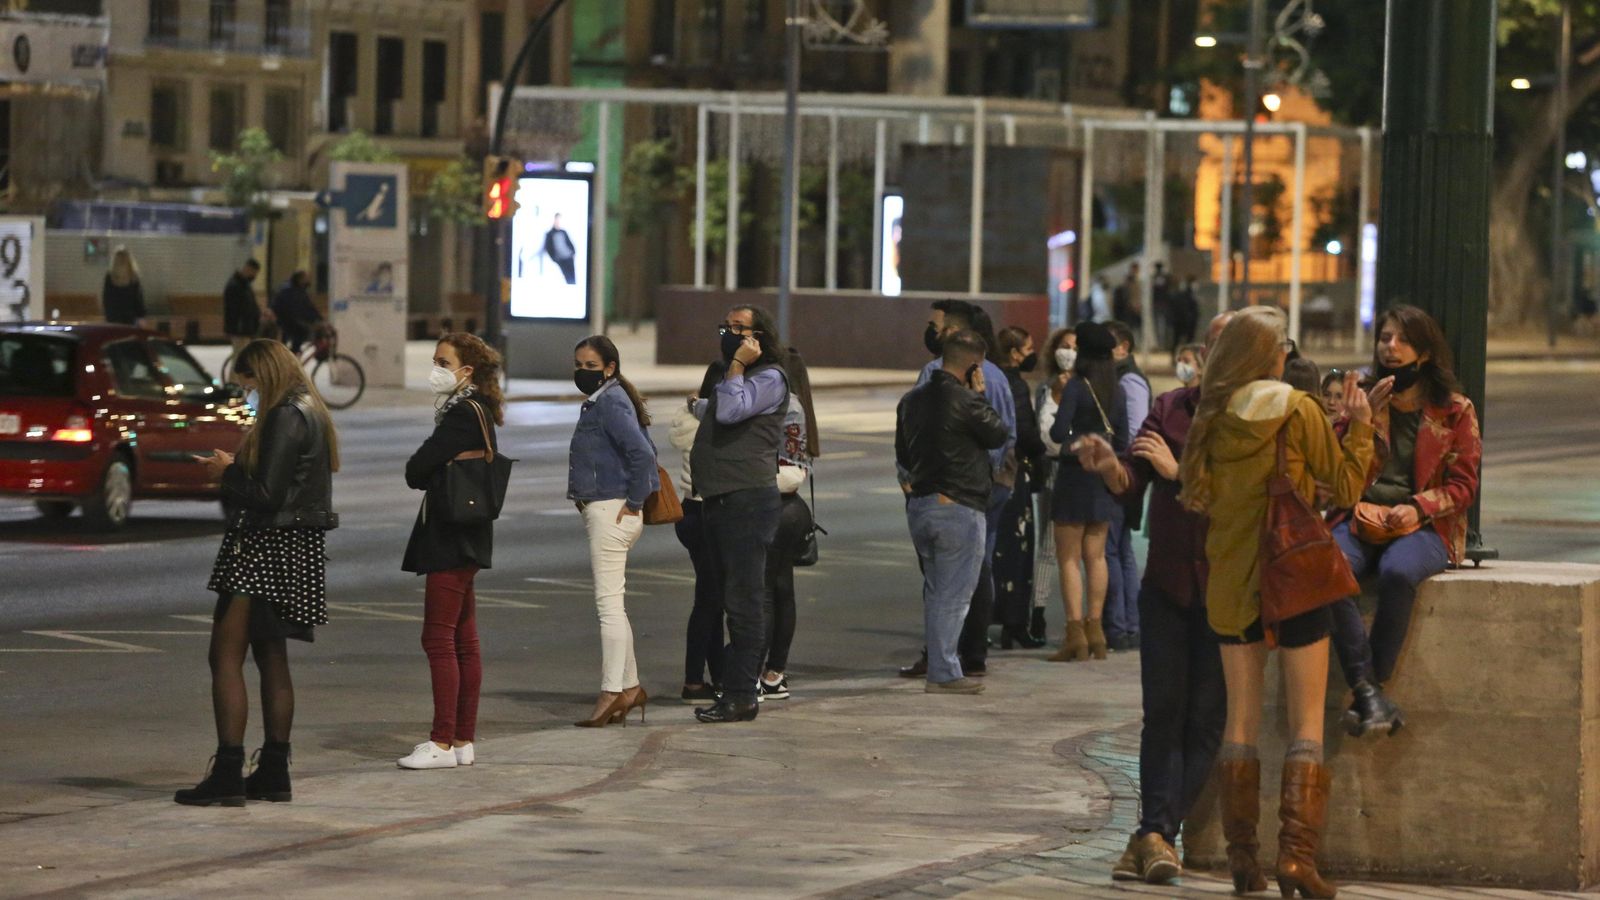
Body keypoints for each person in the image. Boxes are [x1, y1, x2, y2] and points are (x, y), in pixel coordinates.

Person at [1173, 306, 1375, 898]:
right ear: (1271, 354)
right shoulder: (1298, 408)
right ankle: (1296, 859)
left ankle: (1243, 859)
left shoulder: (1212, 415)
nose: (1288, 353)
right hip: (1293, 581)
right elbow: (1345, 487)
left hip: (1230, 584)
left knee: (1240, 721)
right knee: (1305, 722)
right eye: (1284, 344)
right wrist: (1362, 428)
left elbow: (1198, 496)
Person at [1078, 312, 1233, 884]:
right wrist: (1109, 469)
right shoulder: (1170, 408)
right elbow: (1134, 481)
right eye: (1210, 343)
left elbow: (1249, 500)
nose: (1213, 354)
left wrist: (1181, 471)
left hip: (1228, 591)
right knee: (1162, 716)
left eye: (1227, 344)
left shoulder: (1259, 419)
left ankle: (1152, 835)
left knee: (1206, 720)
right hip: (1167, 585)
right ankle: (1156, 836)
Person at [178, 339, 340, 806]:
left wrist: (227, 472)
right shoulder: (309, 409)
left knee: (224, 656)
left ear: (262, 375)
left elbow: (267, 493)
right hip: (292, 546)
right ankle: (273, 770)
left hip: (263, 546)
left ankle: (228, 771)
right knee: (271, 655)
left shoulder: (285, 414)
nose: (244, 394)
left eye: (245, 383)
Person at [1329, 305, 1481, 737]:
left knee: (1397, 572)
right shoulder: (1364, 399)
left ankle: (1369, 686)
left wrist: (1418, 507)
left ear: (1425, 353)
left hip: (1426, 526)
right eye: (1384, 338)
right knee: (1329, 568)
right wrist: (1359, 422)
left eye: (1402, 340)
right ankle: (1370, 695)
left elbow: (1464, 485)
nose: (1390, 348)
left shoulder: (1454, 410)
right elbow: (1337, 470)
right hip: (1361, 517)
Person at [397, 334, 504, 769]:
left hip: (450, 536)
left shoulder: (462, 413)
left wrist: (433, 467)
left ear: (467, 371)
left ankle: (441, 742)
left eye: (444, 362)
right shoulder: (479, 410)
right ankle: (462, 740)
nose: (435, 370)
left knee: (438, 639)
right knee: (463, 640)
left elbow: (415, 469)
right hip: (469, 535)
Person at [898, 299, 1017, 678]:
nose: (933, 332)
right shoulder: (990, 381)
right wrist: (988, 471)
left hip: (937, 494)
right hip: (969, 493)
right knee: (967, 579)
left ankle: (944, 658)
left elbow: (908, 442)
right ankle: (961, 659)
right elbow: (1002, 434)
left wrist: (911, 480)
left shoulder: (927, 382)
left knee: (943, 585)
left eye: (938, 326)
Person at [689, 305, 790, 723]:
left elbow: (731, 411)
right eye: (726, 327)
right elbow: (719, 412)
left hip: (747, 501)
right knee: (728, 598)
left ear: (759, 336)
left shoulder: (769, 377)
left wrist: (735, 366)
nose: (729, 334)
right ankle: (734, 689)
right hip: (721, 499)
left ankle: (742, 695)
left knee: (745, 602)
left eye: (739, 328)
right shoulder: (740, 377)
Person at [566, 335, 658, 728]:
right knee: (614, 606)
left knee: (609, 608)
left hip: (612, 510)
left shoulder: (611, 402)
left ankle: (610, 692)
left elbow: (643, 454)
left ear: (610, 368)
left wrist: (634, 502)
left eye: (591, 366)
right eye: (578, 365)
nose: (582, 372)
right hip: (608, 509)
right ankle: (631, 688)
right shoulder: (605, 399)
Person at [1047, 321, 1124, 662]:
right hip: (1102, 478)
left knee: (1068, 558)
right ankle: (1097, 631)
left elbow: (1058, 432)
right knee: (1097, 556)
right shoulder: (1117, 390)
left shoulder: (1077, 386)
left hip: (1074, 475)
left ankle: (1075, 633)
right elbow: (1123, 437)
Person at [759, 349, 821, 701]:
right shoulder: (800, 405)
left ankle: (757, 674)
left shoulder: (788, 405)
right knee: (782, 590)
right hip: (791, 511)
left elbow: (788, 467)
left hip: (778, 506)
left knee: (766, 593)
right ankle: (774, 674)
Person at [671, 363, 727, 704]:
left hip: (689, 512)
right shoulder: (718, 422)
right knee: (708, 602)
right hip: (711, 514)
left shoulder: (690, 417)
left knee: (712, 599)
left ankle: (716, 676)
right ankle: (693, 681)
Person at [993, 325, 1047, 650]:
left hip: (993, 475)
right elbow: (1025, 431)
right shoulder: (1014, 384)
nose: (1032, 354)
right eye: (1028, 348)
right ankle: (1014, 622)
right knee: (1017, 551)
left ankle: (988, 620)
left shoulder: (990, 379)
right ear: (1014, 354)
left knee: (993, 551)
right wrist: (1043, 453)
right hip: (1014, 475)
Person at [1103, 321, 1152, 652]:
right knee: (1120, 550)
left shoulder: (1129, 380)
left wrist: (1117, 466)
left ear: (1124, 347)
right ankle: (1128, 624)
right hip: (1124, 473)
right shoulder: (1120, 377)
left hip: (1123, 474)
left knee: (1113, 550)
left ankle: (1121, 626)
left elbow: (1134, 432)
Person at [1032, 326, 1077, 643]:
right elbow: (1042, 433)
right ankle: (1037, 612)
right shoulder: (1045, 389)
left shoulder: (1086, 387)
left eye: (1074, 347)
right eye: (1064, 346)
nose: (1068, 352)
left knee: (1084, 551)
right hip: (1050, 470)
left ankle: (1086, 621)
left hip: (1076, 472)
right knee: (1047, 547)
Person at [270, 271, 322, 355]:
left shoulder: (297, 291)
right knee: (298, 336)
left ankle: (292, 354)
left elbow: (308, 307)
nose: (309, 281)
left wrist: (318, 318)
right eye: (306, 278)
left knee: (294, 340)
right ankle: (291, 355)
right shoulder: (292, 292)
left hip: (289, 323)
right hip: (289, 323)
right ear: (300, 279)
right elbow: (306, 308)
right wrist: (317, 318)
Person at [224, 259, 264, 352]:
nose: (254, 276)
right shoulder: (235, 286)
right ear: (248, 269)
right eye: (254, 273)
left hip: (246, 327)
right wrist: (237, 327)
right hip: (240, 328)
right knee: (240, 354)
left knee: (244, 354)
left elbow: (251, 305)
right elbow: (233, 310)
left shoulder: (245, 285)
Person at [101, 246, 146, 328]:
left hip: (113, 318)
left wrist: (108, 316)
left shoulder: (110, 277)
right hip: (130, 318)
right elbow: (138, 299)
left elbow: (106, 299)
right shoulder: (133, 277)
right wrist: (141, 316)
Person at [1170, 277, 1201, 361]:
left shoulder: (1192, 295)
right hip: (1182, 321)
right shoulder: (1185, 295)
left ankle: (1185, 358)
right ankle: (1180, 358)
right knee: (1179, 341)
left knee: (1184, 342)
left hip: (1186, 322)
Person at [543, 214, 578, 285]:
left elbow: (569, 242)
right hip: (560, 259)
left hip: (569, 257)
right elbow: (548, 247)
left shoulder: (563, 232)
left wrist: (573, 252)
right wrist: (554, 258)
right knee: (567, 276)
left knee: (572, 277)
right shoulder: (550, 234)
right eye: (557, 219)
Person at [1113, 264, 1143, 332]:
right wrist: (1133, 305)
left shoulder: (1136, 280)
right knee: (1132, 327)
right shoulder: (1129, 280)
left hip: (1136, 307)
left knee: (1137, 327)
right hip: (1131, 307)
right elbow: (1128, 294)